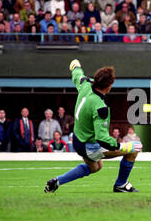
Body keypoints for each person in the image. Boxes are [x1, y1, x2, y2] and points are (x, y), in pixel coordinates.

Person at [45, 60, 143, 194]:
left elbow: (77, 73)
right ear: (108, 85)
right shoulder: (100, 107)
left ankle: (57, 181)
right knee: (135, 147)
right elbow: (102, 139)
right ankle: (121, 184)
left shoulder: (85, 84)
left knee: (96, 167)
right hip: (90, 146)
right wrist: (120, 146)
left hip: (78, 141)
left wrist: (75, 65)